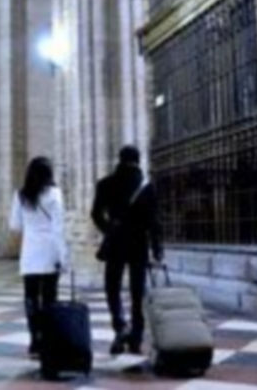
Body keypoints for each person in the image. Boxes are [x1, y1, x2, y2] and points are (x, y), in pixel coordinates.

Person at [91, 145, 163, 355]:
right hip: (139, 243)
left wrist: (108, 229)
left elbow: (95, 213)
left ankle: (120, 326)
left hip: (115, 242)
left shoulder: (106, 184)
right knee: (137, 291)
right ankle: (136, 336)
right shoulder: (147, 186)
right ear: (138, 160)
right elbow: (154, 222)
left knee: (112, 287)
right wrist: (157, 248)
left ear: (119, 159)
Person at [9, 156, 70, 359]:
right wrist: (64, 256)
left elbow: (15, 226)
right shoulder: (55, 194)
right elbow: (58, 227)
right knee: (50, 297)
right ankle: (49, 340)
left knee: (31, 298)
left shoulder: (20, 195)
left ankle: (35, 340)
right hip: (50, 250)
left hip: (30, 253)